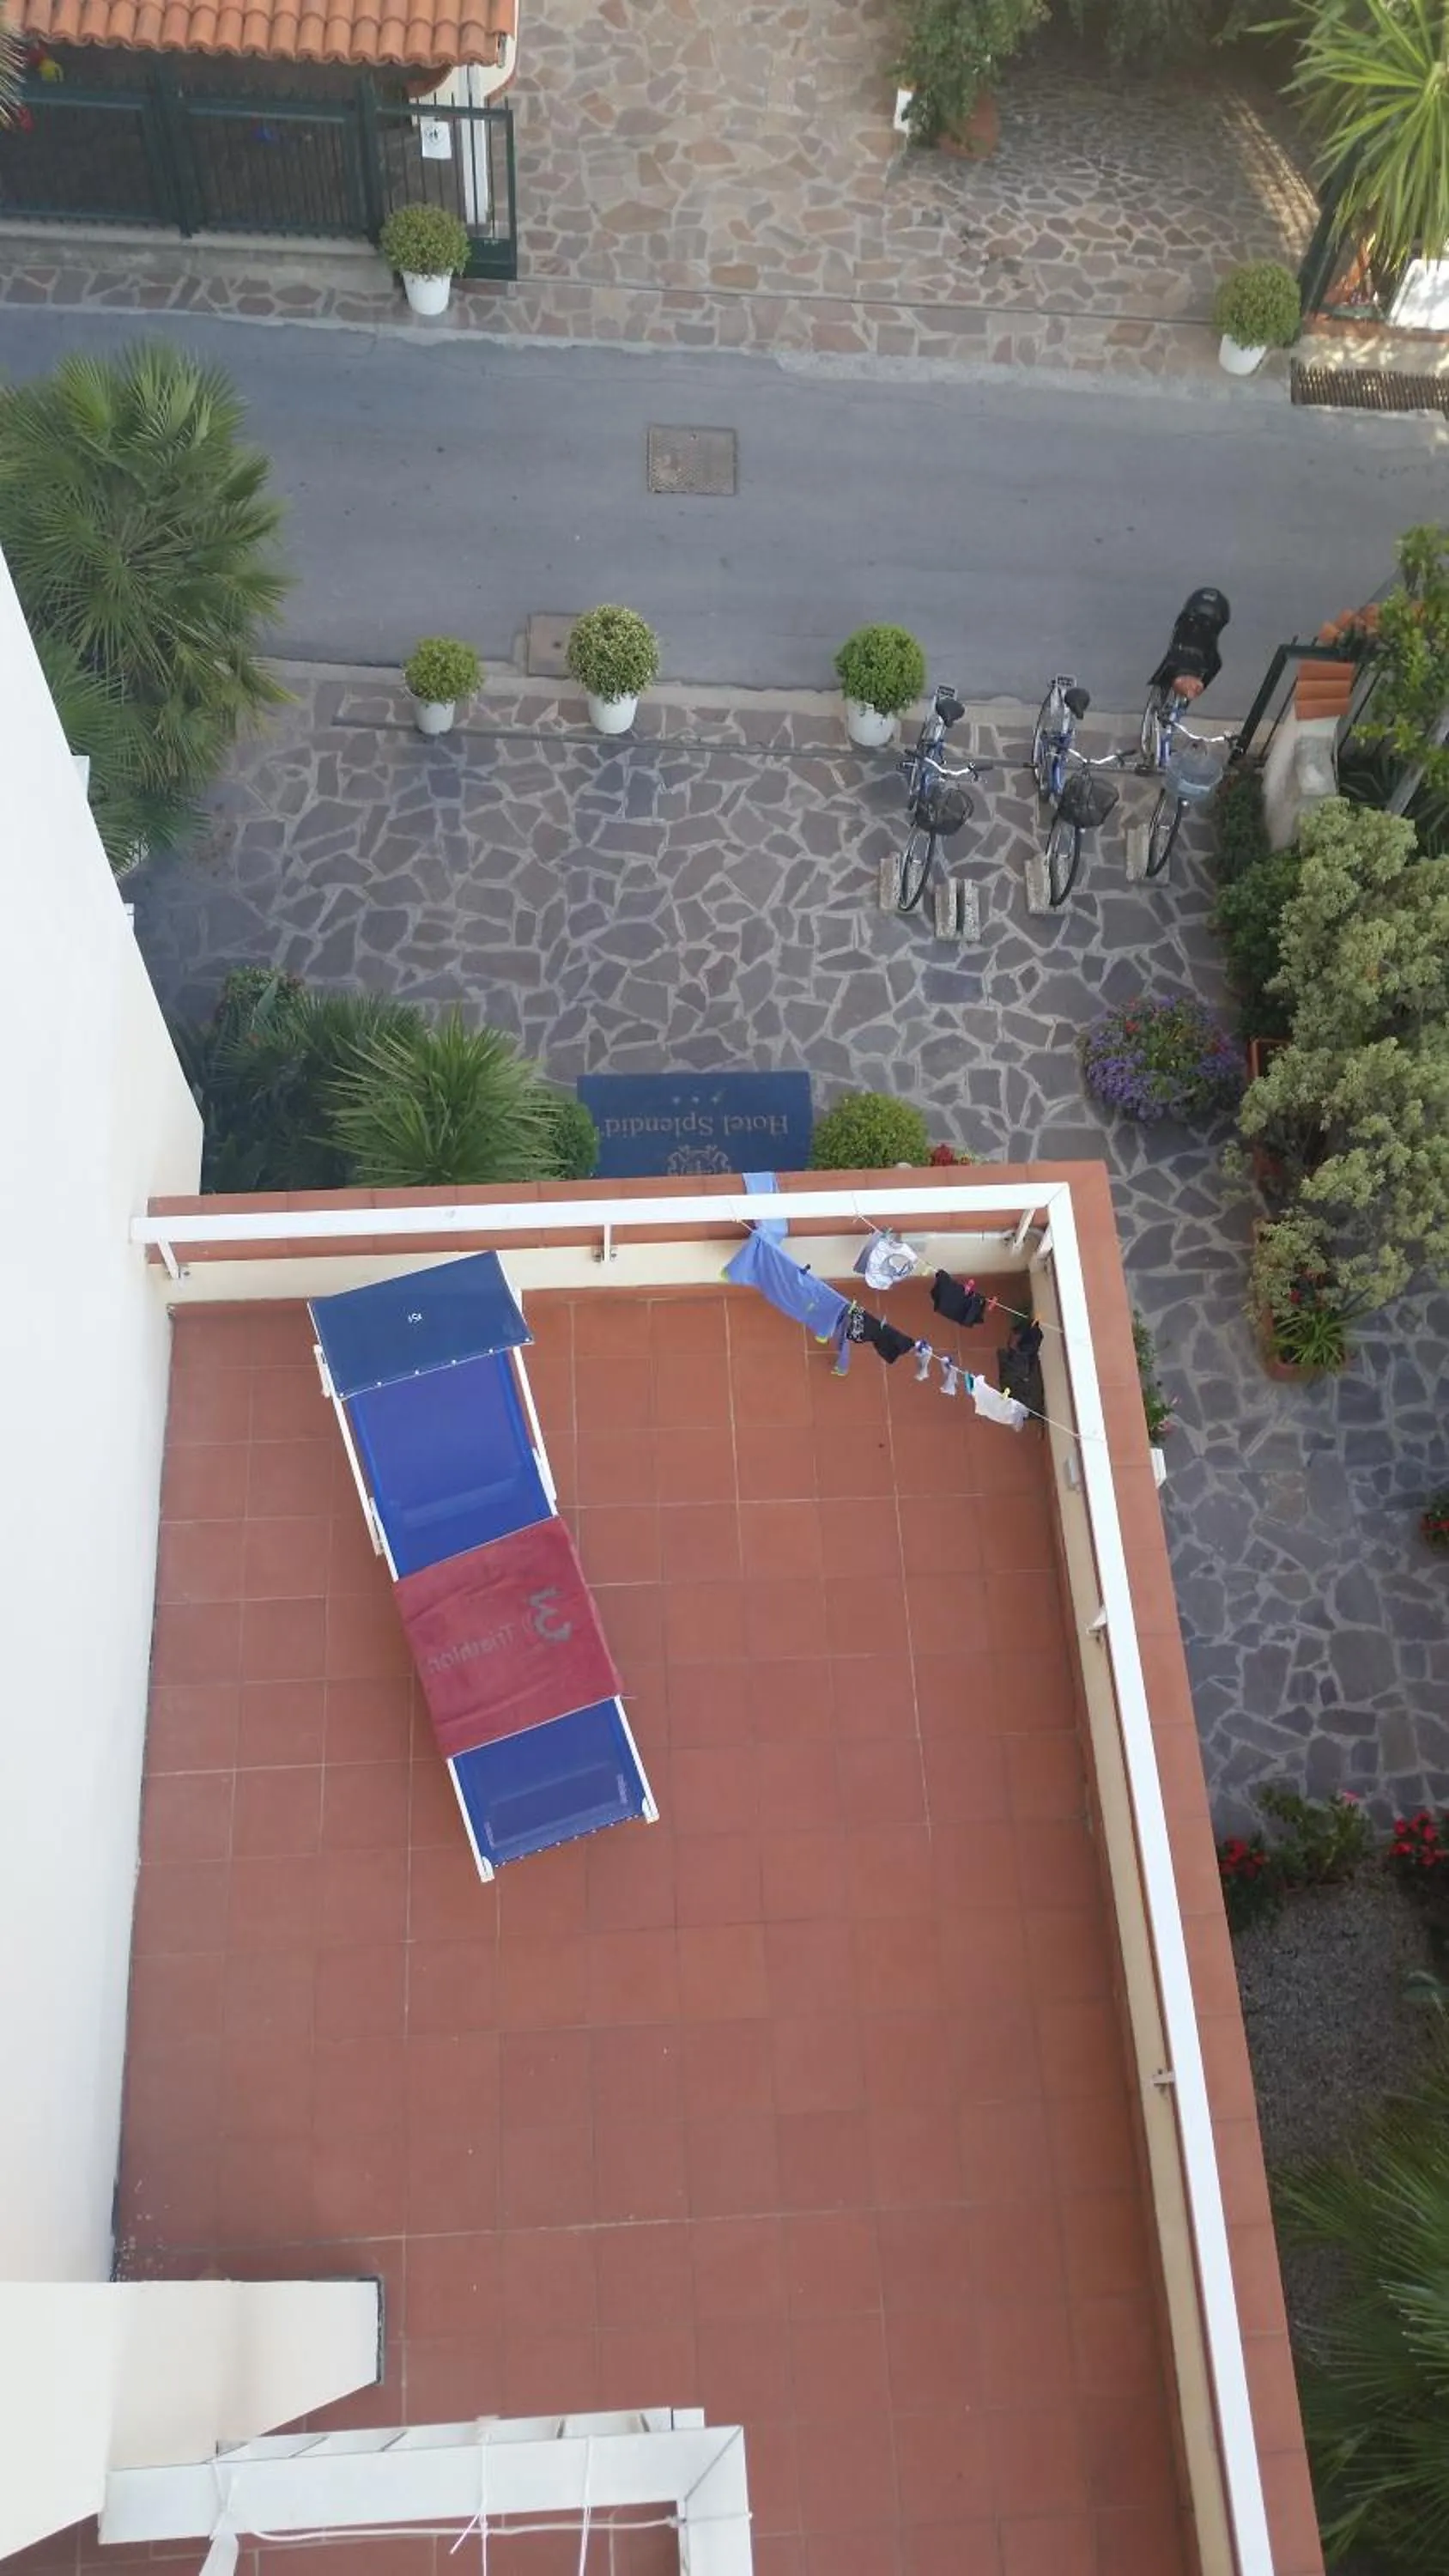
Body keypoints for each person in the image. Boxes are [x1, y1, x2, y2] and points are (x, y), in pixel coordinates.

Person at [1148, 586, 1231, 704]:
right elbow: (1214, 661)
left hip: (1179, 654)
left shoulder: (1184, 623)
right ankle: (1188, 699)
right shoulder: (1210, 638)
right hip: (1196, 661)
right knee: (1215, 665)